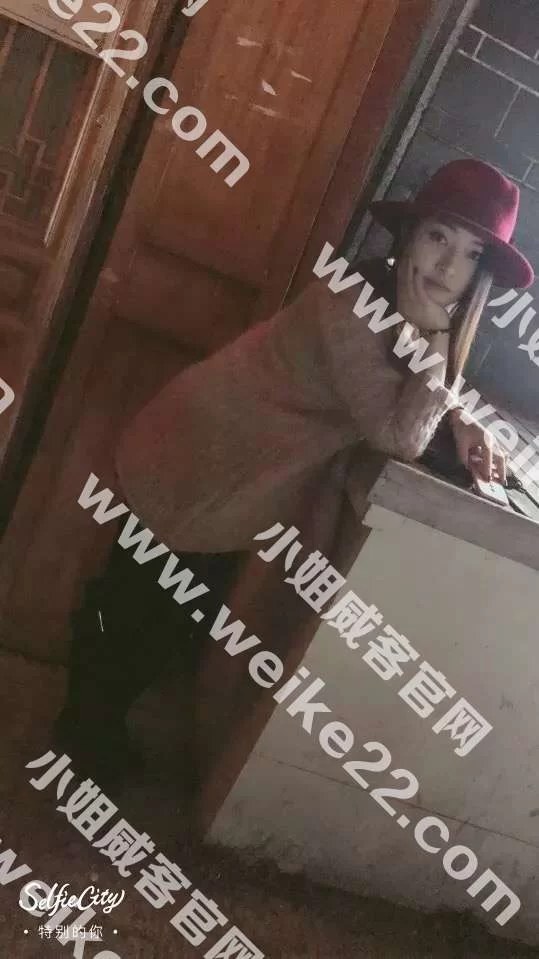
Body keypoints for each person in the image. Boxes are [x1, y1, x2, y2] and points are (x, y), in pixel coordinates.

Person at [53, 158, 533, 789]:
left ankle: (93, 734)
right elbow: (398, 433)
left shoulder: (405, 309)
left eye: (470, 254)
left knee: (170, 609)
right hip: (202, 448)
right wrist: (443, 343)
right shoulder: (354, 299)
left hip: (238, 469)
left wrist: (464, 416)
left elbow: (410, 391)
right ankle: (79, 744)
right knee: (140, 604)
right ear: (410, 234)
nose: (448, 267)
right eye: (439, 237)